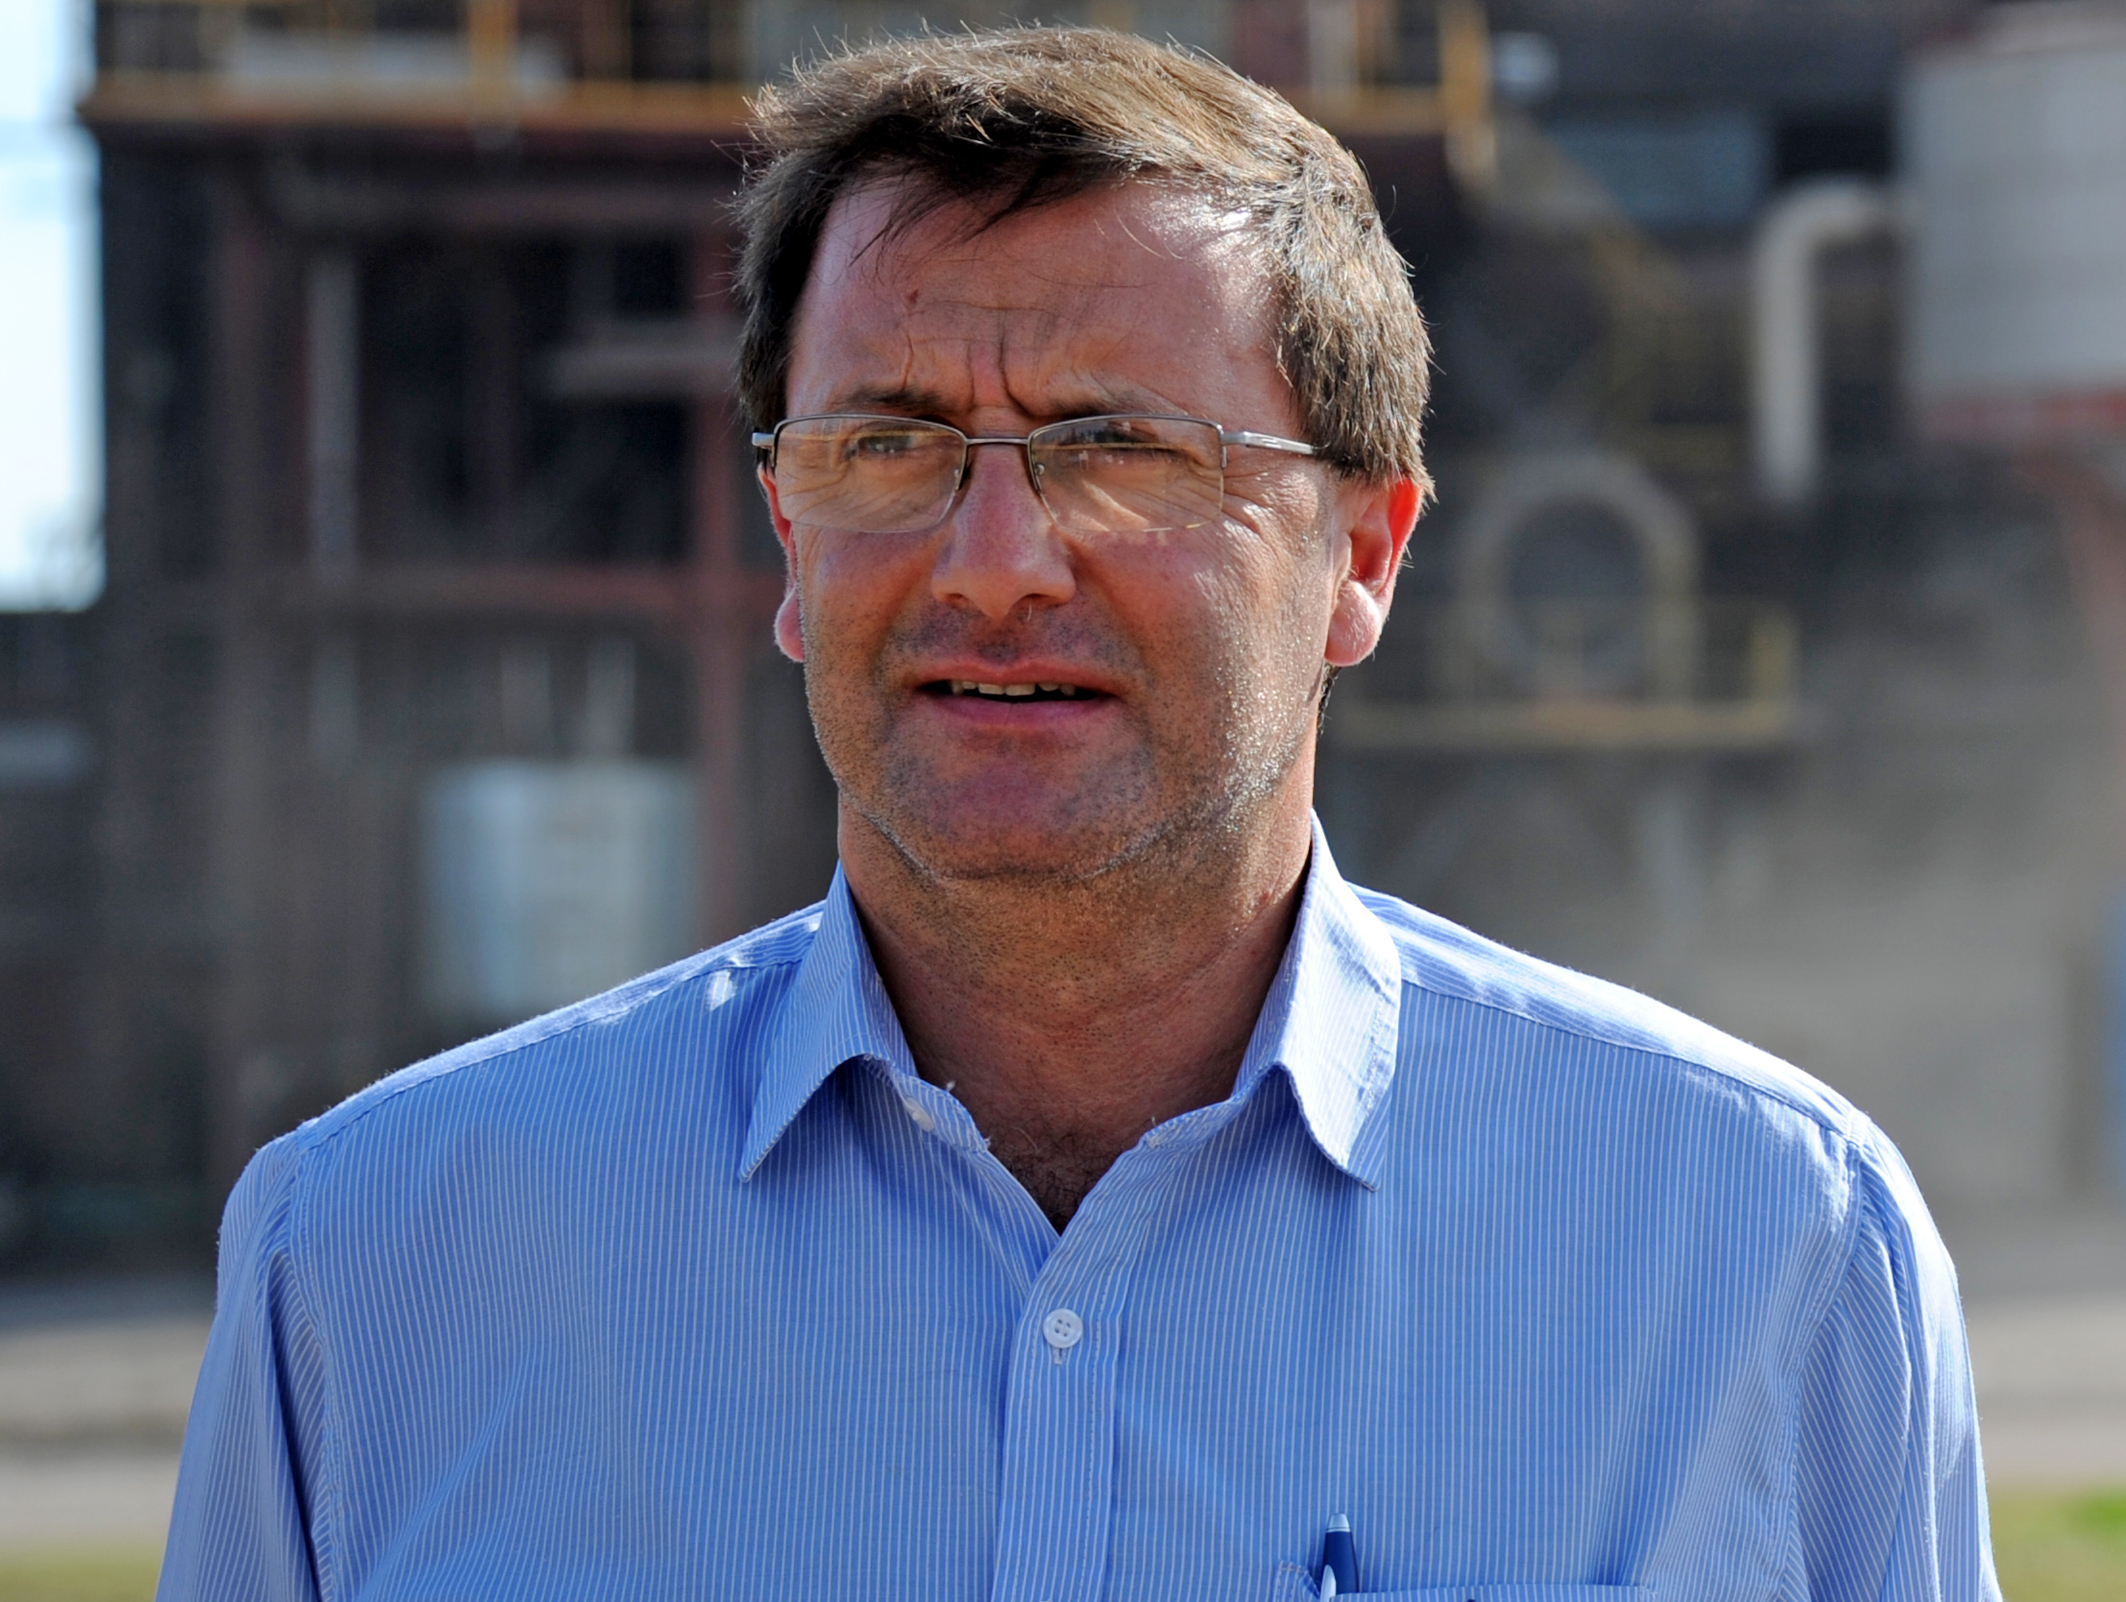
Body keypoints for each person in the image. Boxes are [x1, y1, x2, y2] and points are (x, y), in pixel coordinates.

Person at [158, 27, 1999, 1602]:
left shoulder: (1762, 1246)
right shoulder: (372, 1262)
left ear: (1362, 553)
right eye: (888, 444)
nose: (992, 563)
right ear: (789, 537)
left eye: (1117, 449)